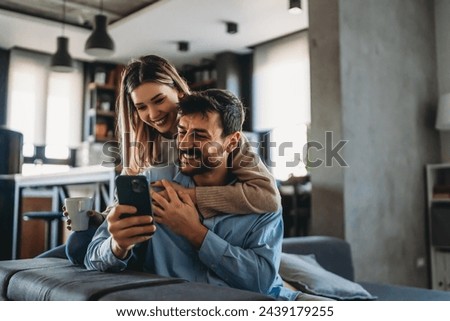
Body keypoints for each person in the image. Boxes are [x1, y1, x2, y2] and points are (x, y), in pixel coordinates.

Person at [64, 54, 281, 265]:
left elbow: (268, 197)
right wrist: (102, 217)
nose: (153, 114)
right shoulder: (141, 143)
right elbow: (128, 203)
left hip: (203, 234)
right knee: (76, 244)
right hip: (153, 234)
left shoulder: (219, 133)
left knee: (79, 249)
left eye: (159, 100)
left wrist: (189, 195)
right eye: (141, 107)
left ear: (178, 91)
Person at [84, 89, 298, 300]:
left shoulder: (259, 200)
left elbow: (261, 282)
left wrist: (196, 233)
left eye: (200, 135)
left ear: (231, 142)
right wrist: (117, 246)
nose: (185, 144)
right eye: (182, 131)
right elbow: (93, 258)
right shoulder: (152, 183)